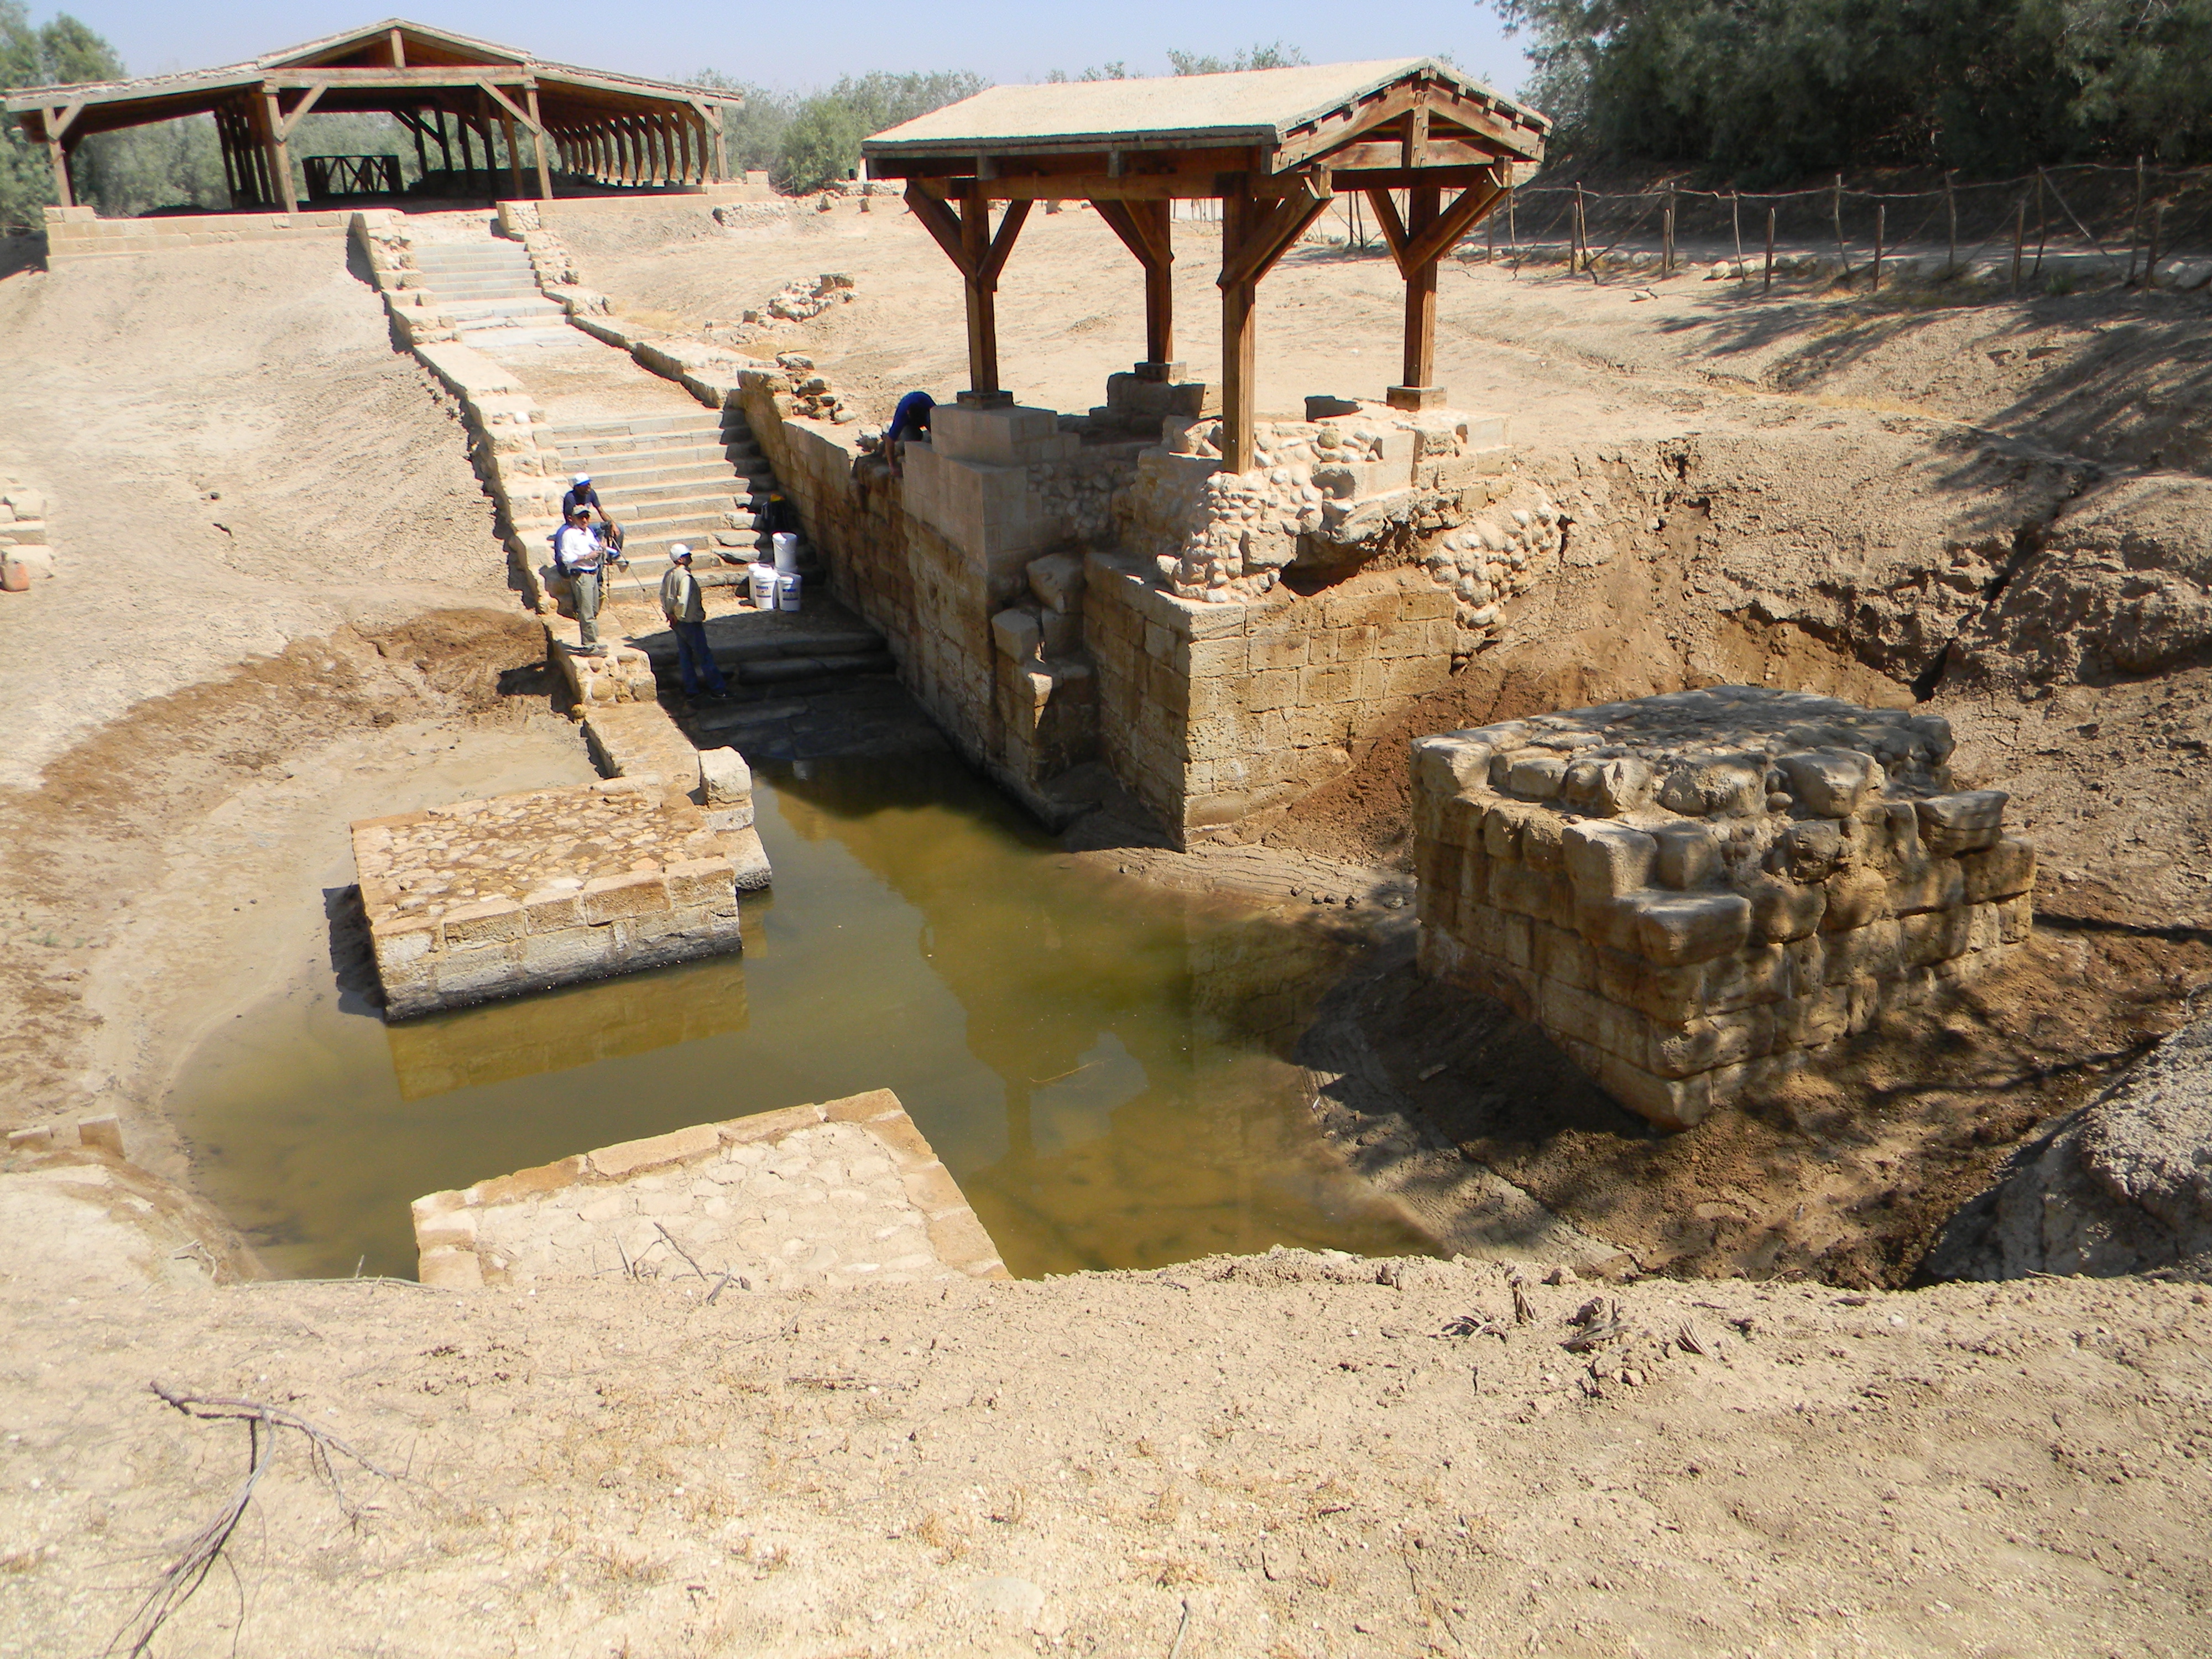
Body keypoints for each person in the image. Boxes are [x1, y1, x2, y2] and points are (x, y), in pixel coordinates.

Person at [658, 544, 729, 700]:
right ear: (681, 559)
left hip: (677, 622)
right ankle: (718, 689)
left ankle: (691, 689)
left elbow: (663, 595)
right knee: (704, 656)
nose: (691, 556)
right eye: (687, 555)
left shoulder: (669, 574)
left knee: (685, 657)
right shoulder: (685, 577)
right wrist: (678, 615)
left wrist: (669, 613)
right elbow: (683, 601)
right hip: (688, 621)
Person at [553, 505, 617, 656]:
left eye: (586, 517)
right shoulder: (569, 534)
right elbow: (566, 557)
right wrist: (586, 557)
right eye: (580, 517)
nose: (584, 520)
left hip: (593, 573)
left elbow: (594, 548)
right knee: (586, 612)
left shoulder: (589, 532)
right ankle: (589, 646)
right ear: (573, 519)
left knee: (594, 609)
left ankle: (594, 641)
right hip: (581, 575)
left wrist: (601, 548)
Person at [561, 472, 623, 553]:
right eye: (585, 485)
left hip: (586, 524)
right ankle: (598, 555)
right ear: (577, 487)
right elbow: (571, 520)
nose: (588, 486)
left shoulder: (591, 493)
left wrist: (612, 524)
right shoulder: (570, 498)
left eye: (588, 484)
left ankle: (615, 555)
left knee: (620, 528)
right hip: (576, 526)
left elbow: (601, 511)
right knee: (601, 530)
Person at [885, 390, 934, 478]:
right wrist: (892, 466)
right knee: (911, 440)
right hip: (909, 423)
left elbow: (939, 421)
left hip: (924, 410)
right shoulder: (902, 416)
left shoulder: (927, 403)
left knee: (934, 427)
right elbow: (890, 441)